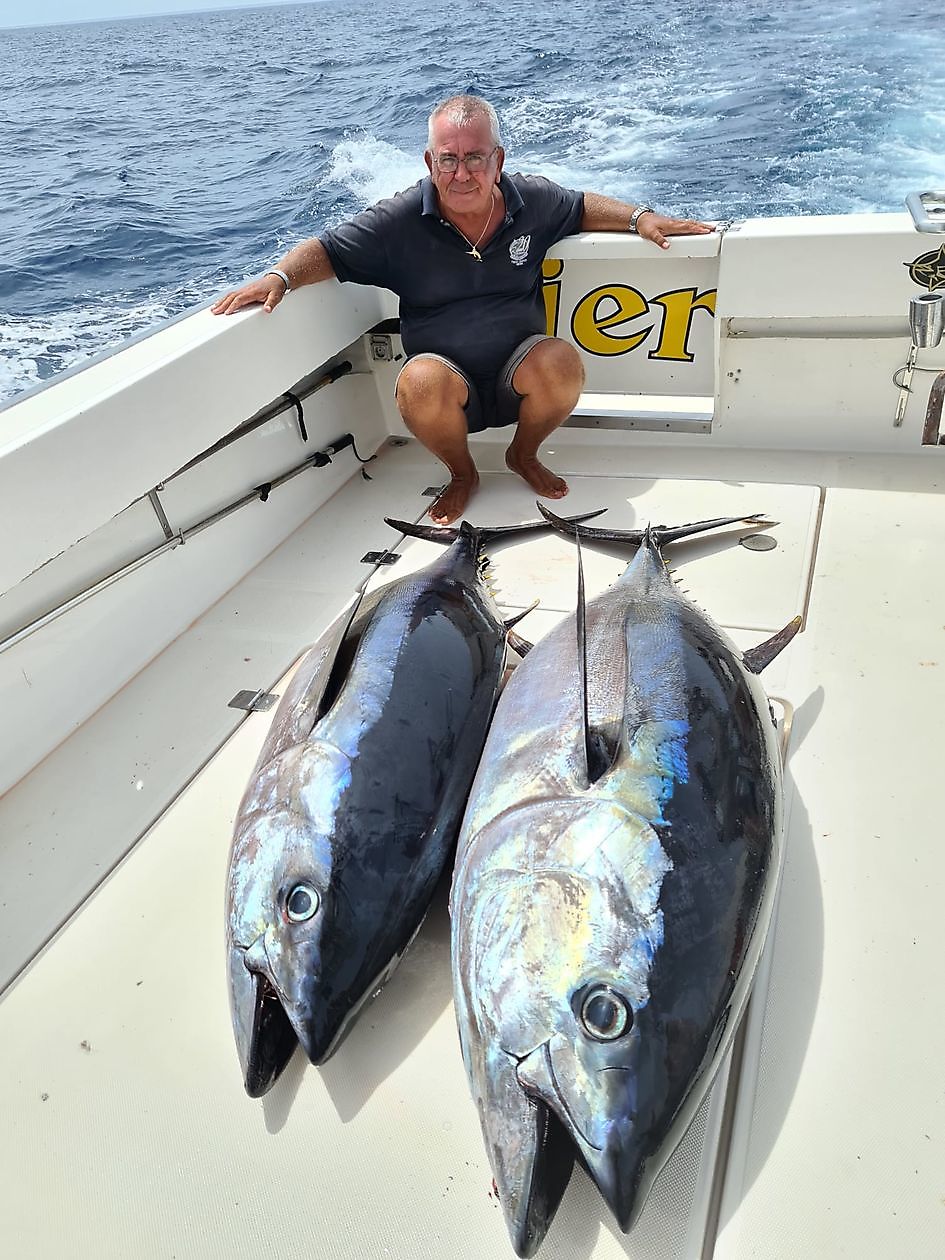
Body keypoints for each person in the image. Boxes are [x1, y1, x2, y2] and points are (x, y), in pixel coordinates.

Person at [212, 95, 713, 524]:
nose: (461, 172)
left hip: (520, 375)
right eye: (448, 159)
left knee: (561, 361)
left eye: (475, 157)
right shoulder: (399, 221)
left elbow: (582, 207)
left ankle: (524, 454)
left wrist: (641, 218)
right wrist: (279, 278)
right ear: (430, 163)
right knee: (418, 381)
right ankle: (462, 473)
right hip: (447, 391)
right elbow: (327, 250)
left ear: (498, 160)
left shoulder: (531, 200)